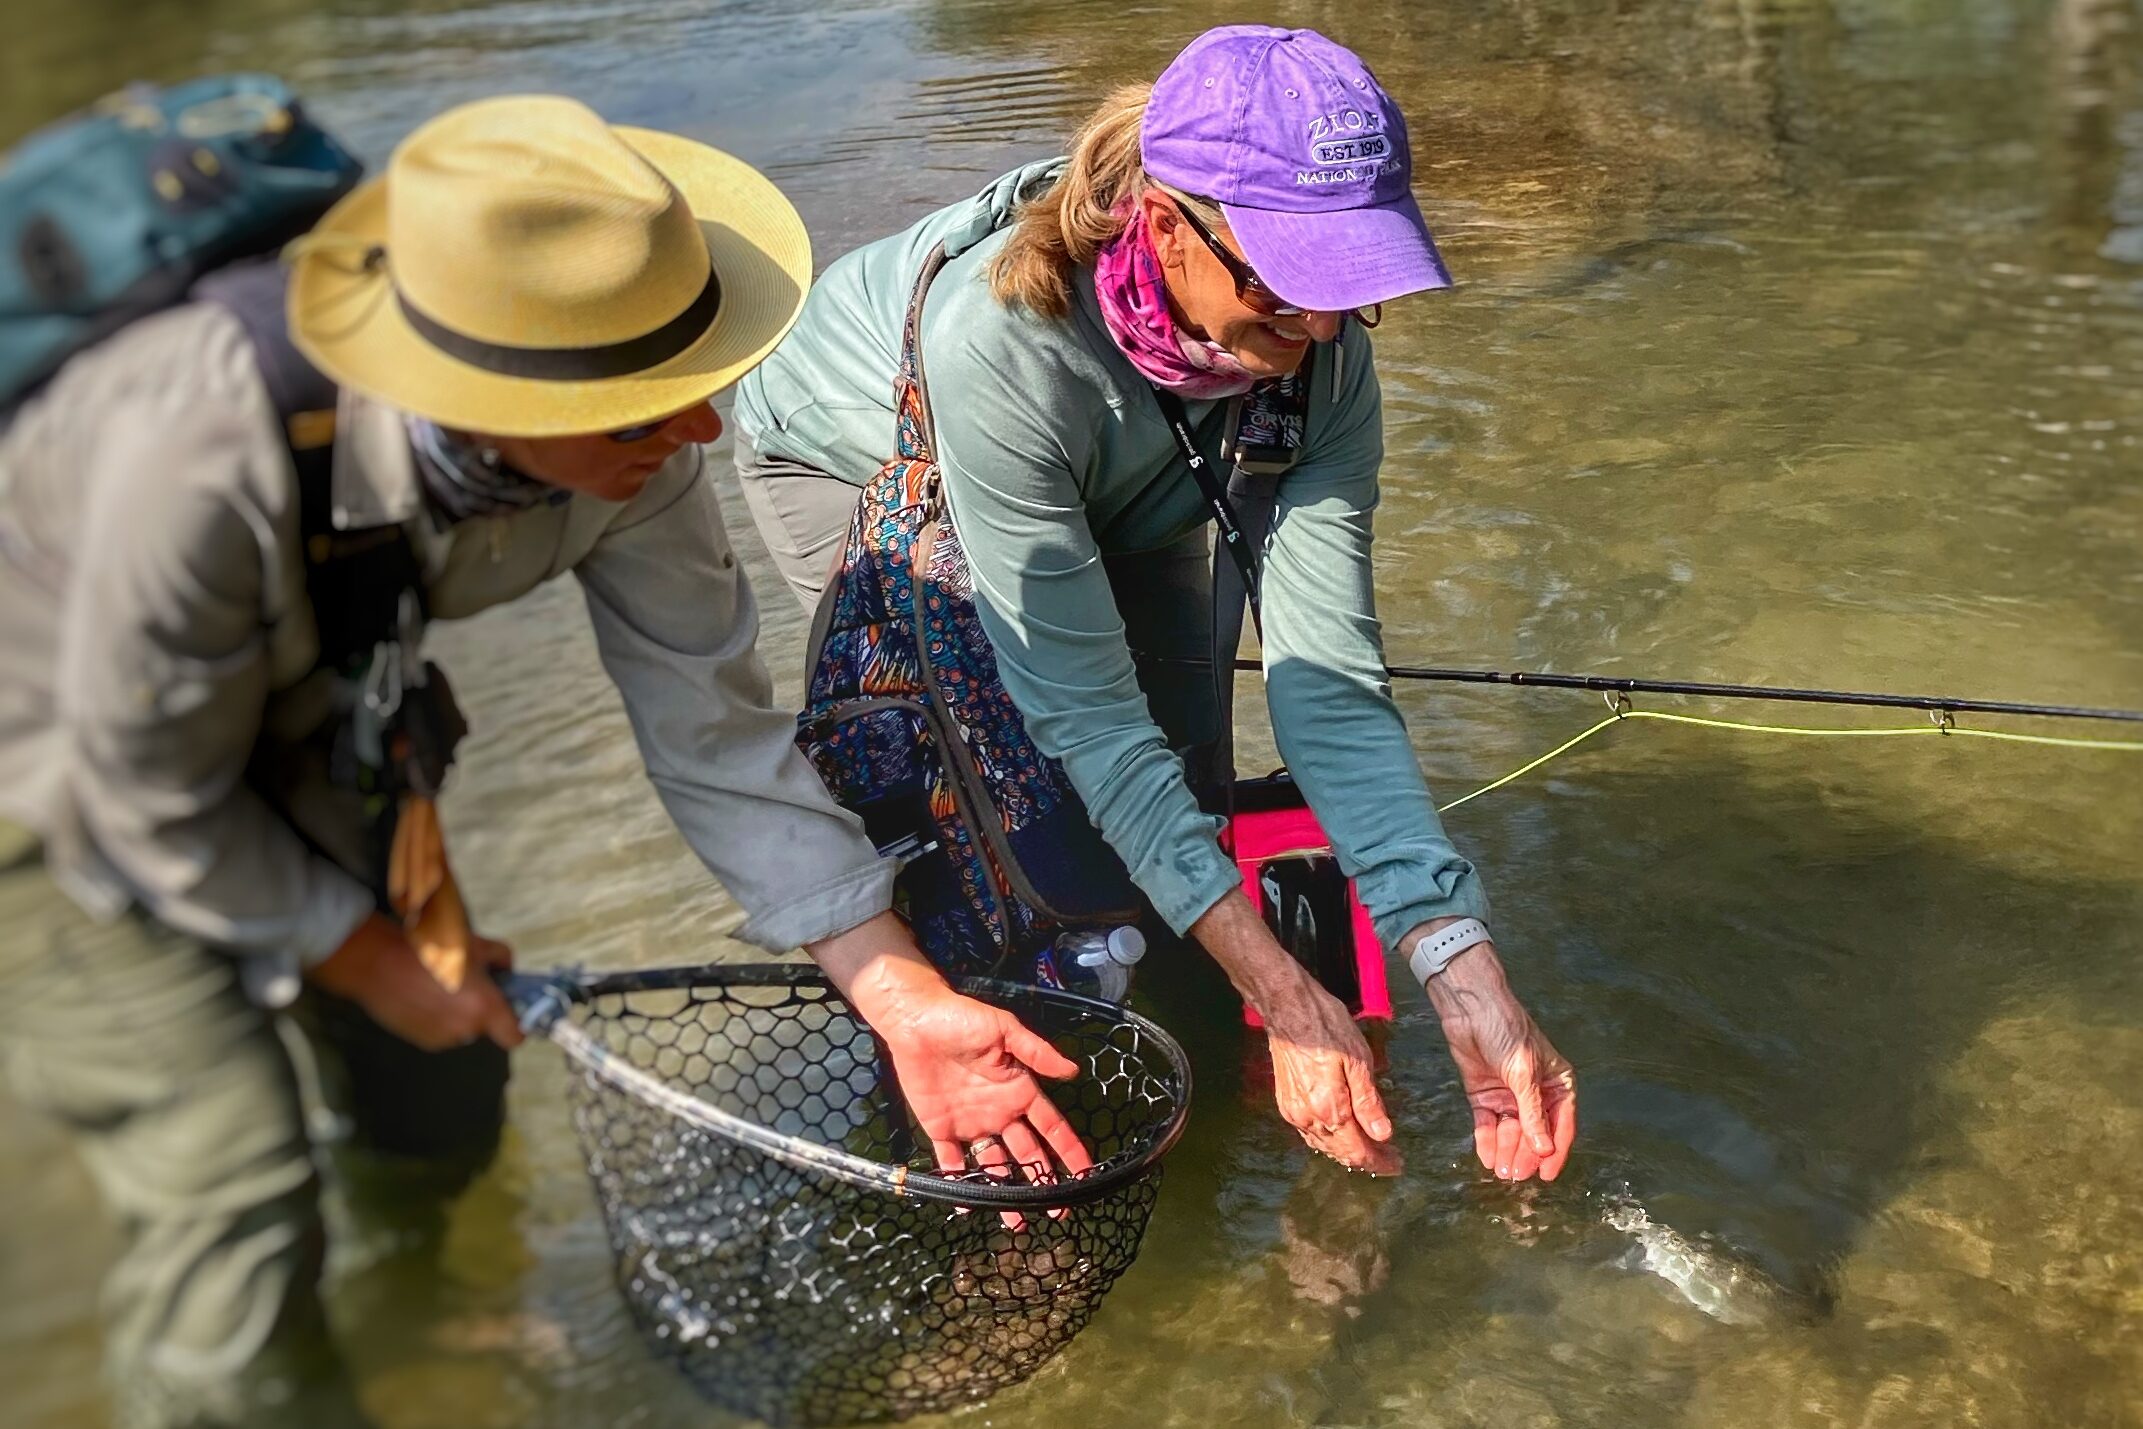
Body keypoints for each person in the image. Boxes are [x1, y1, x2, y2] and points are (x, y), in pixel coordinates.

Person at [0, 94, 1085, 1428]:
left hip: (303, 689)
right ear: (470, 395)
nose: (699, 436)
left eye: (696, 387)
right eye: (644, 415)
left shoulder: (642, 436)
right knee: (225, 1174)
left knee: (436, 1077)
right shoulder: (194, 455)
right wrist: (373, 956)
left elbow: (714, 728)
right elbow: (143, 794)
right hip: (48, 766)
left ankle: (413, 1291)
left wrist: (899, 993)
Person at [734, 27, 1579, 1183]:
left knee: (1187, 769)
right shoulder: (1005, 344)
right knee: (996, 796)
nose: (1323, 331)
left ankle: (1201, 1067)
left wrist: (1458, 961)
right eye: (1288, 284)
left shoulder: (1310, 354)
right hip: (860, 459)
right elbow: (1088, 718)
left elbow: (1329, 687)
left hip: (1147, 453)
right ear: (1168, 225)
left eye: (1350, 290)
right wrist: (1285, 989)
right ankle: (981, 1084)